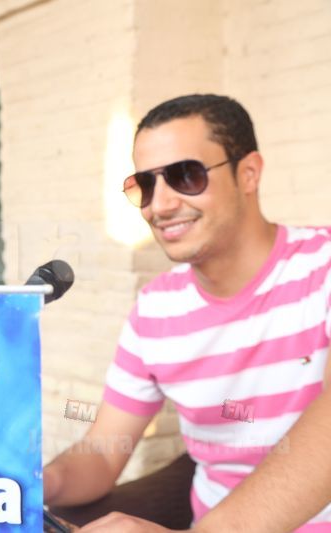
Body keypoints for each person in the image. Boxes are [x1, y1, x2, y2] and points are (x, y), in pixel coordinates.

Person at [43, 94, 331, 532]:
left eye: (185, 176)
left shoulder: (323, 267)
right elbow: (102, 451)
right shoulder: (154, 310)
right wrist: (32, 484)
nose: (159, 205)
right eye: (145, 184)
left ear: (249, 173)